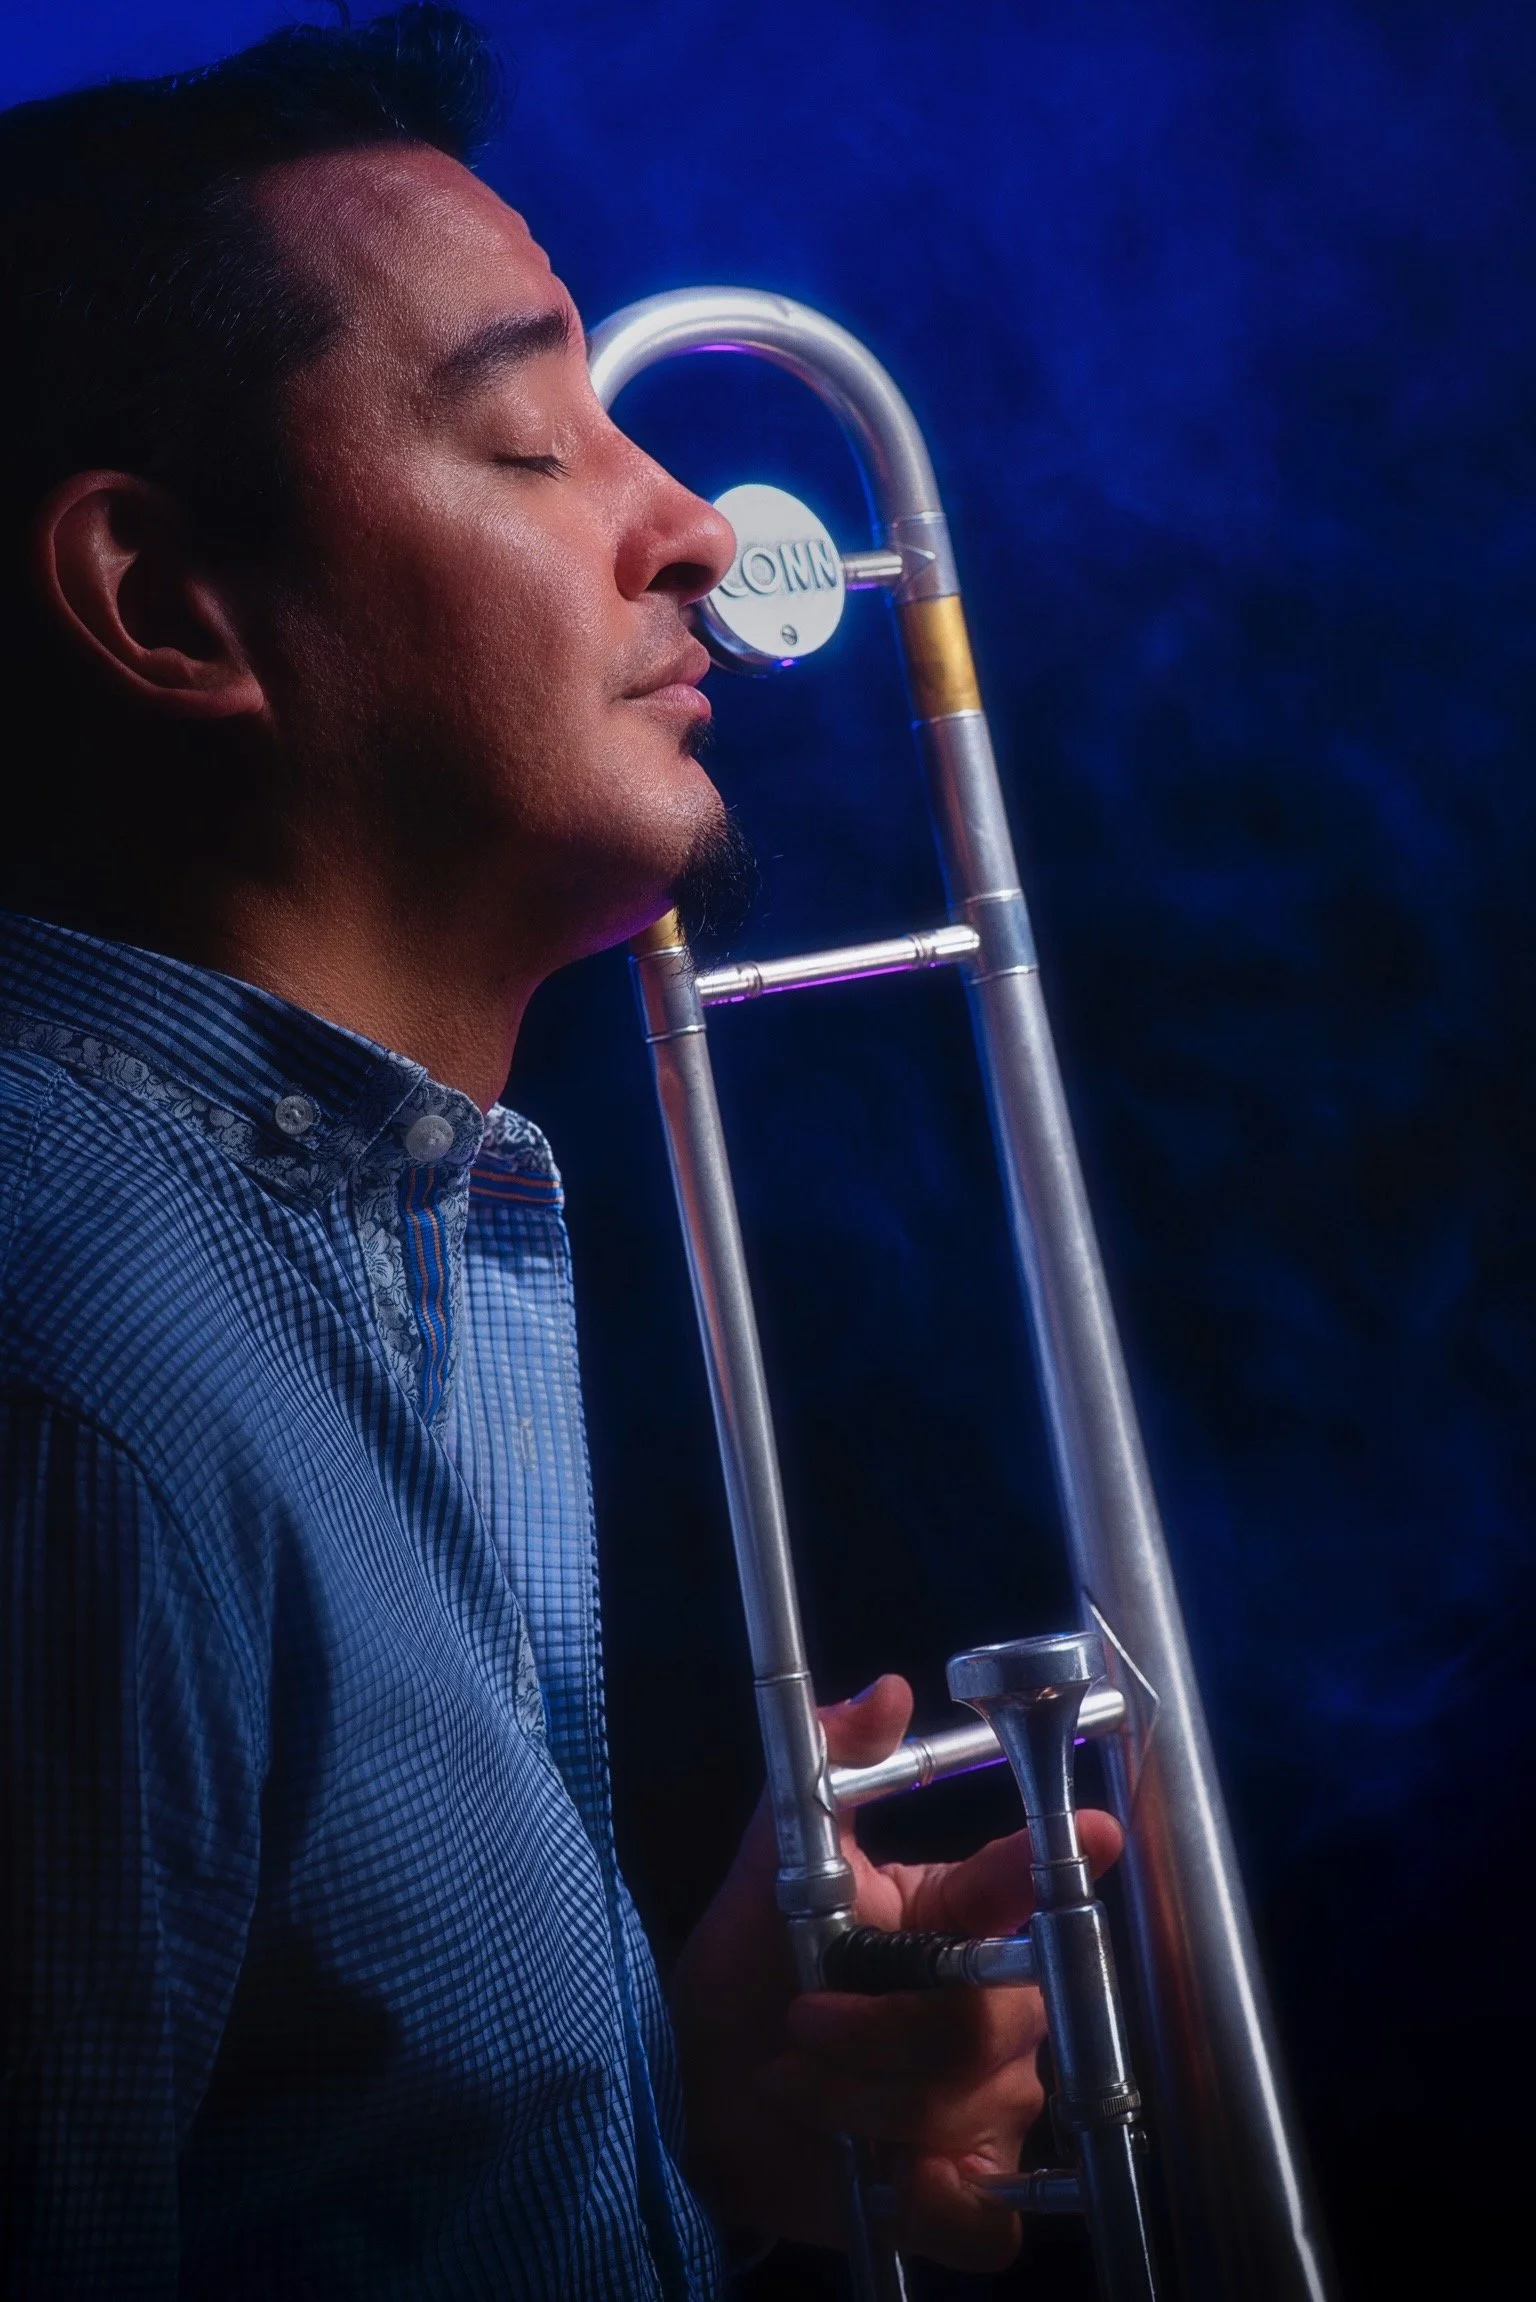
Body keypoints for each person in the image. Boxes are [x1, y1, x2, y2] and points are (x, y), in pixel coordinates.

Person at [0, 9, 1119, 2295]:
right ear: (164, 605)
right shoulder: (70, 1386)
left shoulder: (345, 1264)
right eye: (525, 434)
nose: (700, 525)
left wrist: (665, 2149)